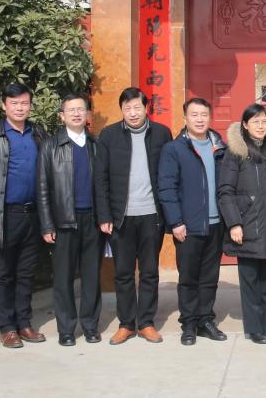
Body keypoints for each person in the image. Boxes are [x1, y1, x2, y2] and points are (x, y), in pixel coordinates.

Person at [0, 82, 48, 349]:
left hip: (33, 213)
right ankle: (6, 327)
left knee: (26, 272)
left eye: (24, 103)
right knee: (3, 273)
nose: (20, 108)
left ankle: (24, 323)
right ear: (4, 105)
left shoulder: (37, 133)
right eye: (14, 103)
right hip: (3, 215)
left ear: (30, 105)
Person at [94, 87, 173, 345]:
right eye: (127, 108)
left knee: (149, 272)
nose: (133, 112)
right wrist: (104, 215)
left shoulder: (161, 134)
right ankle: (127, 324)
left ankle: (146, 322)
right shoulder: (109, 135)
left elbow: (169, 174)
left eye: (137, 107)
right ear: (122, 110)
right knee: (124, 273)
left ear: (146, 107)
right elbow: (100, 179)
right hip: (121, 217)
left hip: (152, 215)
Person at [157, 98, 229, 346]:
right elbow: (167, 188)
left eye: (204, 115)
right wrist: (176, 221)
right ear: (185, 118)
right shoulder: (174, 149)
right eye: (194, 115)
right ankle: (188, 323)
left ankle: (205, 320)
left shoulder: (220, 147)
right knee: (188, 278)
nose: (200, 119)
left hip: (216, 224)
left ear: (210, 117)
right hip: (188, 226)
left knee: (209, 277)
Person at [217, 103, 266, 345]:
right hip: (246, 225)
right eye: (255, 121)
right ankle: (254, 329)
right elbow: (225, 191)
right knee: (250, 282)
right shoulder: (235, 152)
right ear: (245, 125)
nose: (260, 126)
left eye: (264, 121)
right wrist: (234, 223)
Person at [36, 93, 102, 347]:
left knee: (91, 277)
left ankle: (90, 326)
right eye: (71, 110)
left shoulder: (95, 145)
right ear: (61, 116)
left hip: (92, 220)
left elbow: (104, 185)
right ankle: (66, 329)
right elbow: (42, 188)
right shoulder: (50, 146)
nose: (76, 113)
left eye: (80, 109)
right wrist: (46, 224)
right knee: (63, 278)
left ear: (87, 115)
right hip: (64, 221)